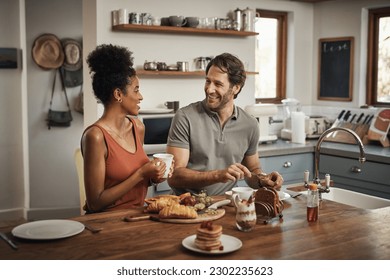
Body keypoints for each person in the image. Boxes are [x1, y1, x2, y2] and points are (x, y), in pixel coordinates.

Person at [166, 52, 283, 196]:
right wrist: (218, 175)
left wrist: (263, 180)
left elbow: (252, 170)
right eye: (208, 81)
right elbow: (174, 176)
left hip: (225, 205)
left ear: (236, 88)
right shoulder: (185, 117)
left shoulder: (250, 124)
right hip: (185, 205)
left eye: (218, 84)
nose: (209, 89)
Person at [81, 44, 172, 213]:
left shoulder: (138, 127)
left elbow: (139, 182)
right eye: (136, 90)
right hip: (106, 222)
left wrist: (154, 176)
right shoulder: (95, 136)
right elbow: (94, 203)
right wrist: (141, 174)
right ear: (118, 94)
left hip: (138, 216)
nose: (141, 97)